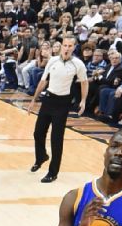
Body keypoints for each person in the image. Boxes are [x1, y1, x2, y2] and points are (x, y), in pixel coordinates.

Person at [28, 36, 89, 183]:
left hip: (62, 103)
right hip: (48, 99)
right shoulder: (52, 60)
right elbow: (43, 80)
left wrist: (83, 100)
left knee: (56, 139)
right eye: (65, 45)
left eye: (70, 46)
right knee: (38, 133)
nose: (67, 48)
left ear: (74, 47)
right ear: (61, 46)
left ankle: (53, 172)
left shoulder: (78, 64)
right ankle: (41, 156)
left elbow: (84, 82)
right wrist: (33, 99)